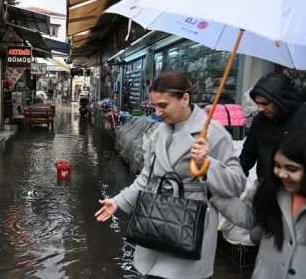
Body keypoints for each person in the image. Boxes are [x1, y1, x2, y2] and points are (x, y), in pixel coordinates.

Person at [95, 71, 246, 279]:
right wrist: (119, 202)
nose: (157, 112)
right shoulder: (160, 132)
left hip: (189, 226)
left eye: (163, 105)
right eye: (155, 105)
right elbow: (146, 178)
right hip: (156, 222)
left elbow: (237, 184)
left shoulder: (214, 133)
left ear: (184, 99)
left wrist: (208, 165)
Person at [211, 128, 306, 279]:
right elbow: (249, 217)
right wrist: (214, 194)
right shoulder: (269, 188)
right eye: (277, 165)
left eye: (292, 169)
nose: (281, 174)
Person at [239, 73, 306, 178]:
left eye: (265, 104)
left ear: (281, 100)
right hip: (265, 187)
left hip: (295, 188)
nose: (260, 108)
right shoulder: (260, 120)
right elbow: (247, 155)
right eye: (258, 104)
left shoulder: (302, 118)